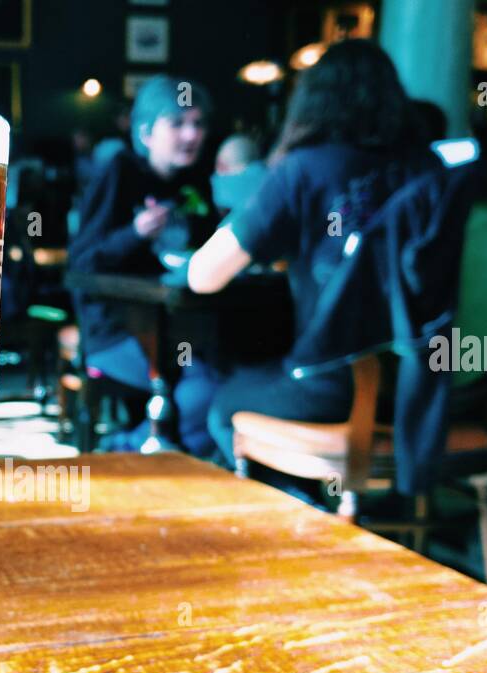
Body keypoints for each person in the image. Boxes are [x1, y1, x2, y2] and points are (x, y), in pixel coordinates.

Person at [187, 39, 437, 467]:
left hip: (331, 387)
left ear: (312, 103)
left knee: (224, 404)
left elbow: (202, 276)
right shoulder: (431, 169)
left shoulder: (303, 170)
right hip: (427, 387)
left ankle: (304, 512)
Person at [68, 74, 219, 455]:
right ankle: (129, 448)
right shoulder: (119, 170)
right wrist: (134, 232)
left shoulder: (195, 180)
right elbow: (81, 264)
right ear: (147, 132)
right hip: (116, 330)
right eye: (179, 124)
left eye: (198, 124)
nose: (191, 135)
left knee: (232, 372)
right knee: (207, 389)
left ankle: (152, 450)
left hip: (180, 324)